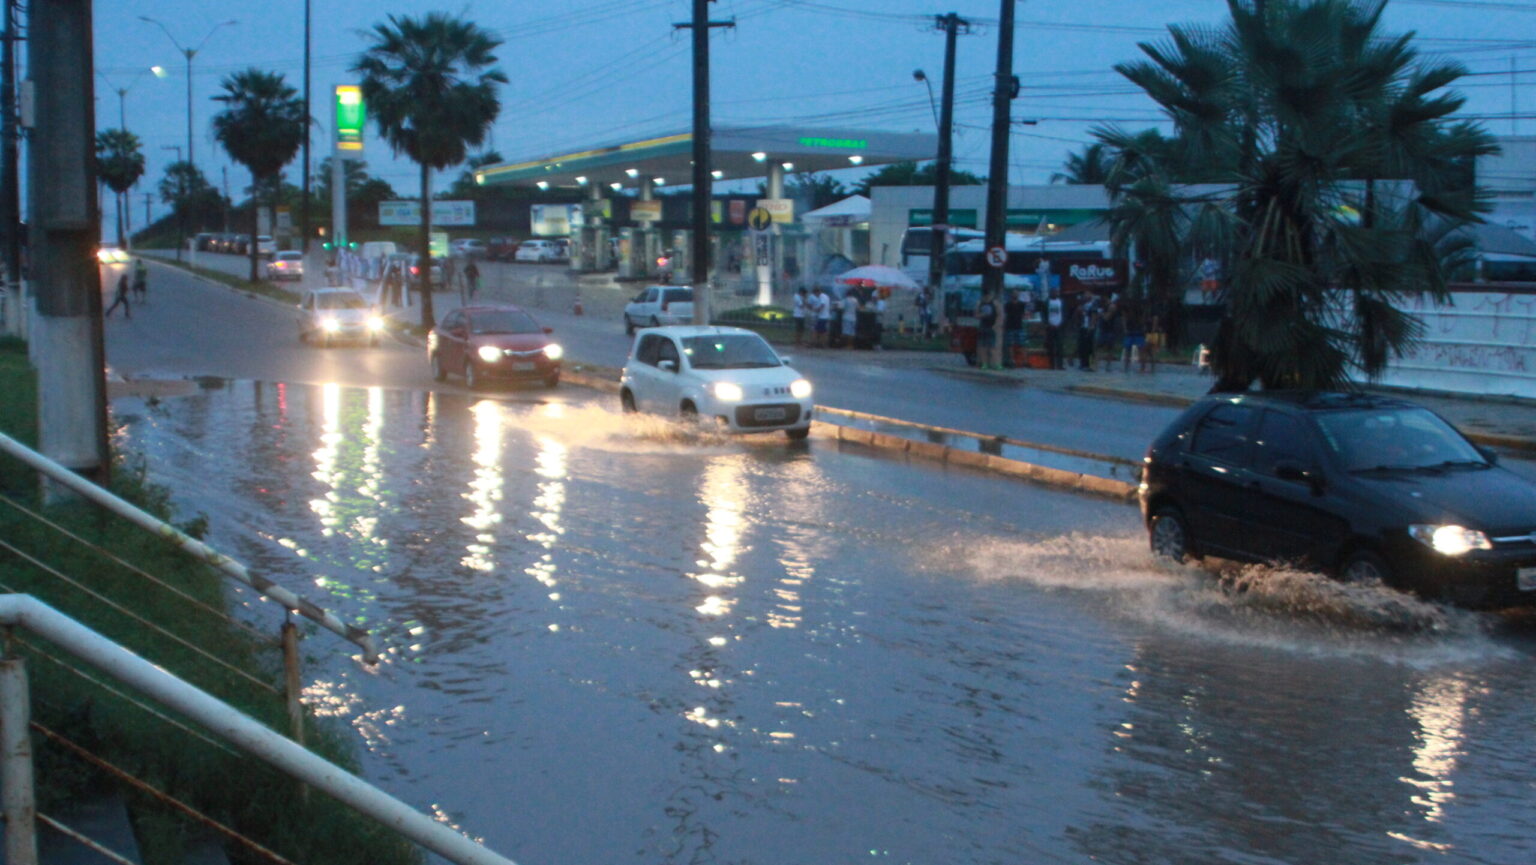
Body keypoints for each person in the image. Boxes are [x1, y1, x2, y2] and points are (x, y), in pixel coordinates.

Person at [1001, 289, 1028, 368]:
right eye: (1014, 293)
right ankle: (1012, 361)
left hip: (1019, 326)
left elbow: (1025, 314)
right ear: (1011, 295)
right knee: (1010, 345)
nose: (1015, 295)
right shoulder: (1008, 304)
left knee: (1022, 344)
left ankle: (1024, 361)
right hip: (1009, 326)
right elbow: (1005, 315)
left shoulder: (1022, 304)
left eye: (1016, 293)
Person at [1074, 291, 1100, 371]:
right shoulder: (1082, 305)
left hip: (1089, 328)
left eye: (1087, 294)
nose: (1085, 296)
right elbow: (1077, 316)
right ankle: (1083, 363)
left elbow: (1094, 316)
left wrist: (1091, 326)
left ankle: (1091, 364)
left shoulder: (1093, 305)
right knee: (1082, 346)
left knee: (1090, 347)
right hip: (1082, 327)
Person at [976, 291, 1001, 369]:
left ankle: (996, 364)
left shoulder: (995, 303)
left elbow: (999, 315)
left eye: (989, 296)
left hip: (991, 327)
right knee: (983, 347)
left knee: (993, 347)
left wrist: (996, 325)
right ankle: (984, 363)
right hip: (983, 327)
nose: (987, 297)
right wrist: (982, 315)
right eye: (986, 296)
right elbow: (976, 315)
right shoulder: (980, 303)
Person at [1098, 293, 1122, 370]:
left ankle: (1107, 366)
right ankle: (1097, 364)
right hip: (1104, 329)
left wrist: (1101, 313)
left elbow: (1106, 318)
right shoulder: (1105, 306)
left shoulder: (1112, 307)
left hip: (1110, 330)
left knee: (1108, 348)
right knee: (1100, 347)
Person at [1044, 288, 1065, 370]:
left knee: (1060, 346)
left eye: (1056, 292)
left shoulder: (1061, 302)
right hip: (1050, 326)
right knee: (1051, 346)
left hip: (1059, 326)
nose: (1055, 293)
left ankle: (1060, 365)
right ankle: (1051, 364)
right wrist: (1047, 323)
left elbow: (1065, 313)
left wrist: (1062, 323)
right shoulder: (1047, 302)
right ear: (1050, 293)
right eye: (1053, 292)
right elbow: (1043, 313)